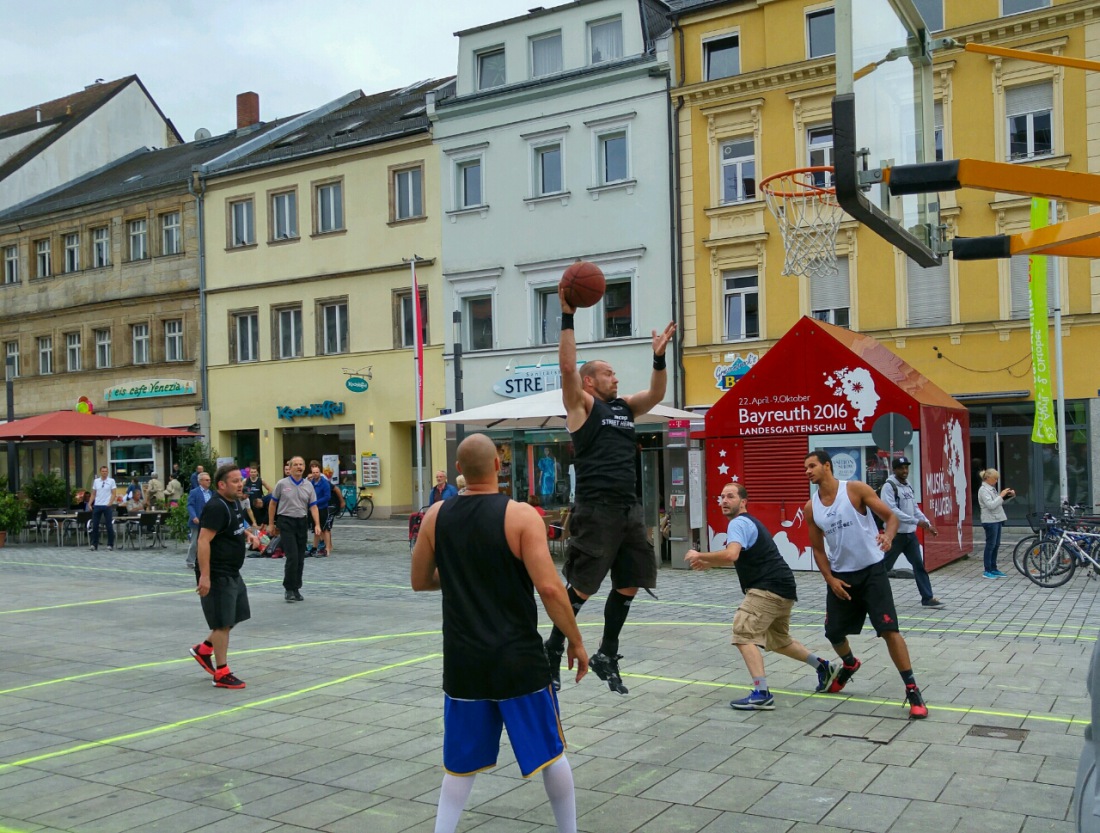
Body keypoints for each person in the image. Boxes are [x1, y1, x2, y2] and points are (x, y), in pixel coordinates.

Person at [411, 433, 588, 833]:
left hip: (463, 661)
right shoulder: (522, 516)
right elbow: (548, 589)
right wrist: (575, 640)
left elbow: (420, 580)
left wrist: (457, 575)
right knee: (550, 753)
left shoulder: (435, 516)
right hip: (518, 658)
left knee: (459, 765)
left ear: (459, 471)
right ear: (497, 466)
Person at [542, 285, 676, 696]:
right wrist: (567, 317)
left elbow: (656, 393)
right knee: (582, 588)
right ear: (590, 380)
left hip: (628, 510)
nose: (615, 377)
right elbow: (566, 370)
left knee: (632, 581)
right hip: (596, 510)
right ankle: (552, 648)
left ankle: (607, 652)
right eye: (608, 372)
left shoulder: (624, 407)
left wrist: (658, 356)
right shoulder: (582, 406)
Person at [685, 482, 840, 710]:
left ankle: (761, 693)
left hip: (768, 588)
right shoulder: (749, 522)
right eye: (722, 497)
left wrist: (701, 555)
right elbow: (736, 556)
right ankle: (823, 667)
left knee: (743, 633)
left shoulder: (739, 523)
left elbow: (731, 555)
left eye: (730, 496)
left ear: (743, 502)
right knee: (779, 640)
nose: (724, 501)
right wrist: (708, 562)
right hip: (784, 586)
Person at [803, 449, 929, 719]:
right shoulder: (811, 507)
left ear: (827, 466)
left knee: (889, 630)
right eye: (806, 468)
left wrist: (889, 537)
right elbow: (817, 550)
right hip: (842, 577)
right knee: (833, 633)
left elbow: (891, 517)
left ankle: (912, 690)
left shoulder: (855, 489)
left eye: (812, 466)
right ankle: (850, 664)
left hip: (872, 572)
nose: (808, 471)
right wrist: (830, 579)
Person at [189, 464, 252, 690]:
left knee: (235, 615)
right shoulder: (216, 506)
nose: (240, 484)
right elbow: (203, 541)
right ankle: (221, 672)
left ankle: (204, 649)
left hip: (232, 571)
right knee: (222, 623)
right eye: (234, 481)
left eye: (240, 480)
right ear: (221, 485)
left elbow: (231, 527)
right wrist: (205, 576)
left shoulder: (233, 502)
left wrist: (247, 534)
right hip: (217, 573)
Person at [880, 456, 944, 607]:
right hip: (895, 535)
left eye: (906, 468)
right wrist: (917, 522)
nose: (904, 471)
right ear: (894, 470)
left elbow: (914, 508)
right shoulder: (889, 487)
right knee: (883, 569)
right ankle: (871, 596)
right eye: (901, 468)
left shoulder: (908, 486)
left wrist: (927, 524)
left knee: (919, 566)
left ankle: (927, 598)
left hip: (910, 535)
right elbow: (892, 511)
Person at [268, 456, 321, 603]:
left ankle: (297, 587)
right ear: (289, 468)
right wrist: (271, 523)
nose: (299, 467)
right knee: (292, 556)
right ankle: (289, 588)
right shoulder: (282, 484)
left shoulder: (308, 485)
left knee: (300, 557)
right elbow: (273, 504)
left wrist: (317, 524)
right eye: (296, 465)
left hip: (301, 522)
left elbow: (313, 506)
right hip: (286, 521)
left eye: (301, 464)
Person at [977, 468, 1013, 579]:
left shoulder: (991, 489)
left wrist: (1008, 496)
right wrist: (1001, 495)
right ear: (988, 478)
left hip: (997, 519)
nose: (996, 481)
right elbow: (991, 505)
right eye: (995, 479)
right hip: (990, 520)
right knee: (990, 545)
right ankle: (987, 569)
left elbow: (998, 502)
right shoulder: (983, 490)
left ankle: (993, 567)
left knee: (996, 545)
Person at [185, 472, 213, 569]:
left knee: (207, 542)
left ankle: (205, 560)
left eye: (209, 480)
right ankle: (190, 560)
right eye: (206, 480)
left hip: (208, 521)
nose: (209, 481)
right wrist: (194, 516)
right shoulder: (194, 492)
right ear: (200, 481)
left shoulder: (210, 493)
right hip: (197, 521)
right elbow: (190, 505)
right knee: (194, 542)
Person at [306, 460, 334, 557]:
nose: (315, 474)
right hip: (314, 509)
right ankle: (314, 547)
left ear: (320, 472)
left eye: (317, 472)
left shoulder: (324, 483)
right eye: (313, 472)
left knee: (325, 529)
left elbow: (327, 496)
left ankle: (327, 548)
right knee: (316, 529)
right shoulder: (311, 482)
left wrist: (316, 502)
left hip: (322, 508)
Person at [89, 465, 116, 552]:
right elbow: (93, 493)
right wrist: (90, 503)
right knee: (95, 525)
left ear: (108, 472)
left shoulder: (111, 481)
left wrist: (110, 503)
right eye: (103, 471)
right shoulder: (96, 481)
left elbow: (113, 493)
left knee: (109, 525)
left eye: (106, 471)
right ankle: (94, 544)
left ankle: (110, 544)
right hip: (97, 505)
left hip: (106, 505)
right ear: (100, 472)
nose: (104, 473)